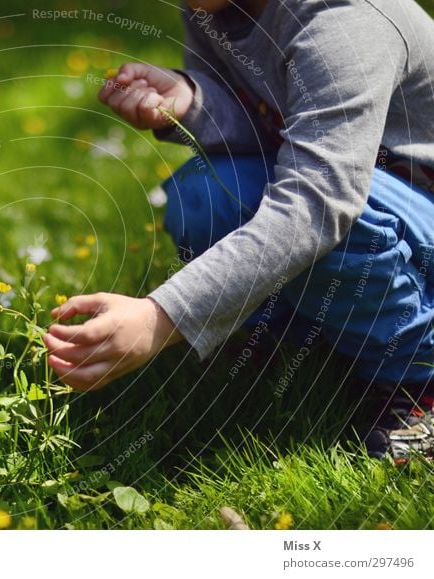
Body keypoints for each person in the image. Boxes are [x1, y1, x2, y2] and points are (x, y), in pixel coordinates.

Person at [42, 0, 434, 461]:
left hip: (402, 201)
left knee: (328, 231)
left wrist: (162, 317)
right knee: (204, 195)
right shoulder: (213, 6)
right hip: (361, 187)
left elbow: (318, 205)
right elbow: (278, 128)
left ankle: (415, 378)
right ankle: (294, 337)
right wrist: (193, 100)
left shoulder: (344, 21)